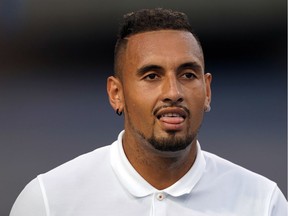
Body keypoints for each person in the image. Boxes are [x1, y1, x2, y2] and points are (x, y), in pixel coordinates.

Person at [10, 8, 287, 216]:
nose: (173, 92)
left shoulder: (263, 203)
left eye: (188, 74)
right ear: (116, 94)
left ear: (207, 90)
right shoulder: (48, 201)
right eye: (152, 76)